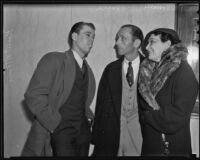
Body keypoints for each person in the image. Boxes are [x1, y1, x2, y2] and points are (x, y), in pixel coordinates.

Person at [21, 21, 96, 156]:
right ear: (74, 36)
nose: (91, 40)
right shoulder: (54, 59)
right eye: (87, 35)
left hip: (83, 133)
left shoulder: (88, 71)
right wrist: (54, 123)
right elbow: (34, 95)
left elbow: (81, 101)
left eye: (93, 37)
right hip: (60, 131)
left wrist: (89, 118)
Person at [138, 28, 199, 157]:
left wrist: (147, 114)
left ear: (168, 44)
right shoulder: (149, 70)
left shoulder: (183, 71)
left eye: (152, 42)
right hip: (151, 145)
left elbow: (176, 117)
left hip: (171, 148)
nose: (147, 47)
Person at [91, 24, 144, 156]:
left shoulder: (151, 68)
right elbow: (100, 106)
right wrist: (97, 138)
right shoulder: (110, 69)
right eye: (117, 38)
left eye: (122, 38)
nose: (117, 43)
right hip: (112, 135)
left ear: (136, 43)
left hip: (141, 136)